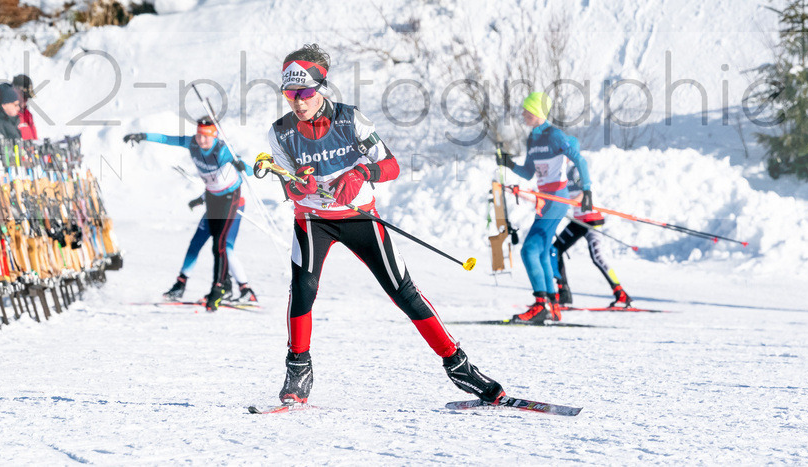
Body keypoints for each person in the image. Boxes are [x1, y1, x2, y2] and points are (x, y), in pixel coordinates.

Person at [266, 43, 504, 406]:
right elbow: (288, 186)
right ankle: (298, 368)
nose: (298, 103)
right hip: (313, 220)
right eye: (290, 94)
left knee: (402, 291)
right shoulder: (281, 132)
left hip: (359, 217)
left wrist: (361, 173)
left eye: (305, 93)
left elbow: (391, 165)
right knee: (303, 288)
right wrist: (300, 186)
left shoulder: (349, 120)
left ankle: (459, 366)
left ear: (321, 87)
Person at [123, 117, 256, 310]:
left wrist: (241, 165)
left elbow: (249, 172)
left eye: (206, 136)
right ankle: (181, 284)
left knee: (223, 245)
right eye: (199, 135)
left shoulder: (223, 150)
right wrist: (142, 136)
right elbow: (166, 139)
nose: (202, 140)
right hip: (212, 197)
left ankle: (239, 289)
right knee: (197, 242)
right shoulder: (193, 143)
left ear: (214, 136)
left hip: (232, 199)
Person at [497, 91, 591, 325]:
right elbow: (529, 172)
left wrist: (587, 189)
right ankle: (552, 305)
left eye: (526, 110)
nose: (522, 114)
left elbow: (580, 160)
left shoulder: (554, 135)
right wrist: (509, 163)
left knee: (529, 250)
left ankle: (542, 305)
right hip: (545, 201)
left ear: (537, 111)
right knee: (541, 251)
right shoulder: (533, 139)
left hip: (556, 199)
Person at [553, 165, 631, 308]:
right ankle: (564, 293)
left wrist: (568, 203)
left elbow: (585, 191)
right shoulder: (559, 170)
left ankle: (621, 294)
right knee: (555, 250)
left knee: (597, 257)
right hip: (578, 221)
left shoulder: (575, 169)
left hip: (591, 220)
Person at [11, 74, 38, 139]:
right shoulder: (5, 116)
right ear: (14, 90)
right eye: (24, 95)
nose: (26, 99)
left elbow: (34, 140)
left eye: (28, 97)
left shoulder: (28, 115)